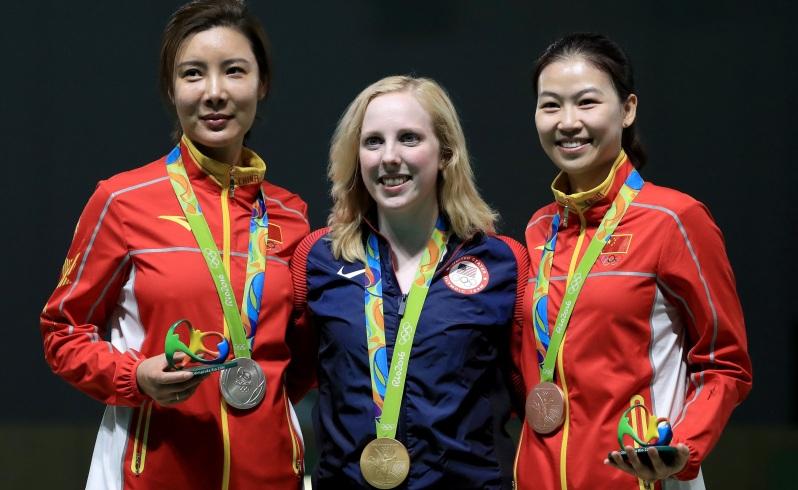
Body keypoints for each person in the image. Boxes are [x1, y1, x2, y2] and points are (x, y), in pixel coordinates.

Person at [40, 1, 311, 488]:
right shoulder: (121, 201)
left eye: (234, 71)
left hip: (270, 475)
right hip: (155, 472)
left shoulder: (292, 215)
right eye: (192, 74)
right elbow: (62, 332)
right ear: (171, 88)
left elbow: (301, 356)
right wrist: (134, 377)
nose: (214, 93)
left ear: (262, 83)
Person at [513, 32, 753, 490]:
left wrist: (680, 448)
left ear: (627, 109)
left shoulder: (675, 219)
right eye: (550, 106)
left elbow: (725, 363)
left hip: (643, 480)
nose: (567, 122)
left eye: (586, 102)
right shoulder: (538, 229)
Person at [290, 75, 528, 489]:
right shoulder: (319, 261)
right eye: (373, 142)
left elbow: (531, 395)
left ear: (445, 154)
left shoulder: (503, 262)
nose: (389, 157)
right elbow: (286, 383)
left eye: (409, 139)